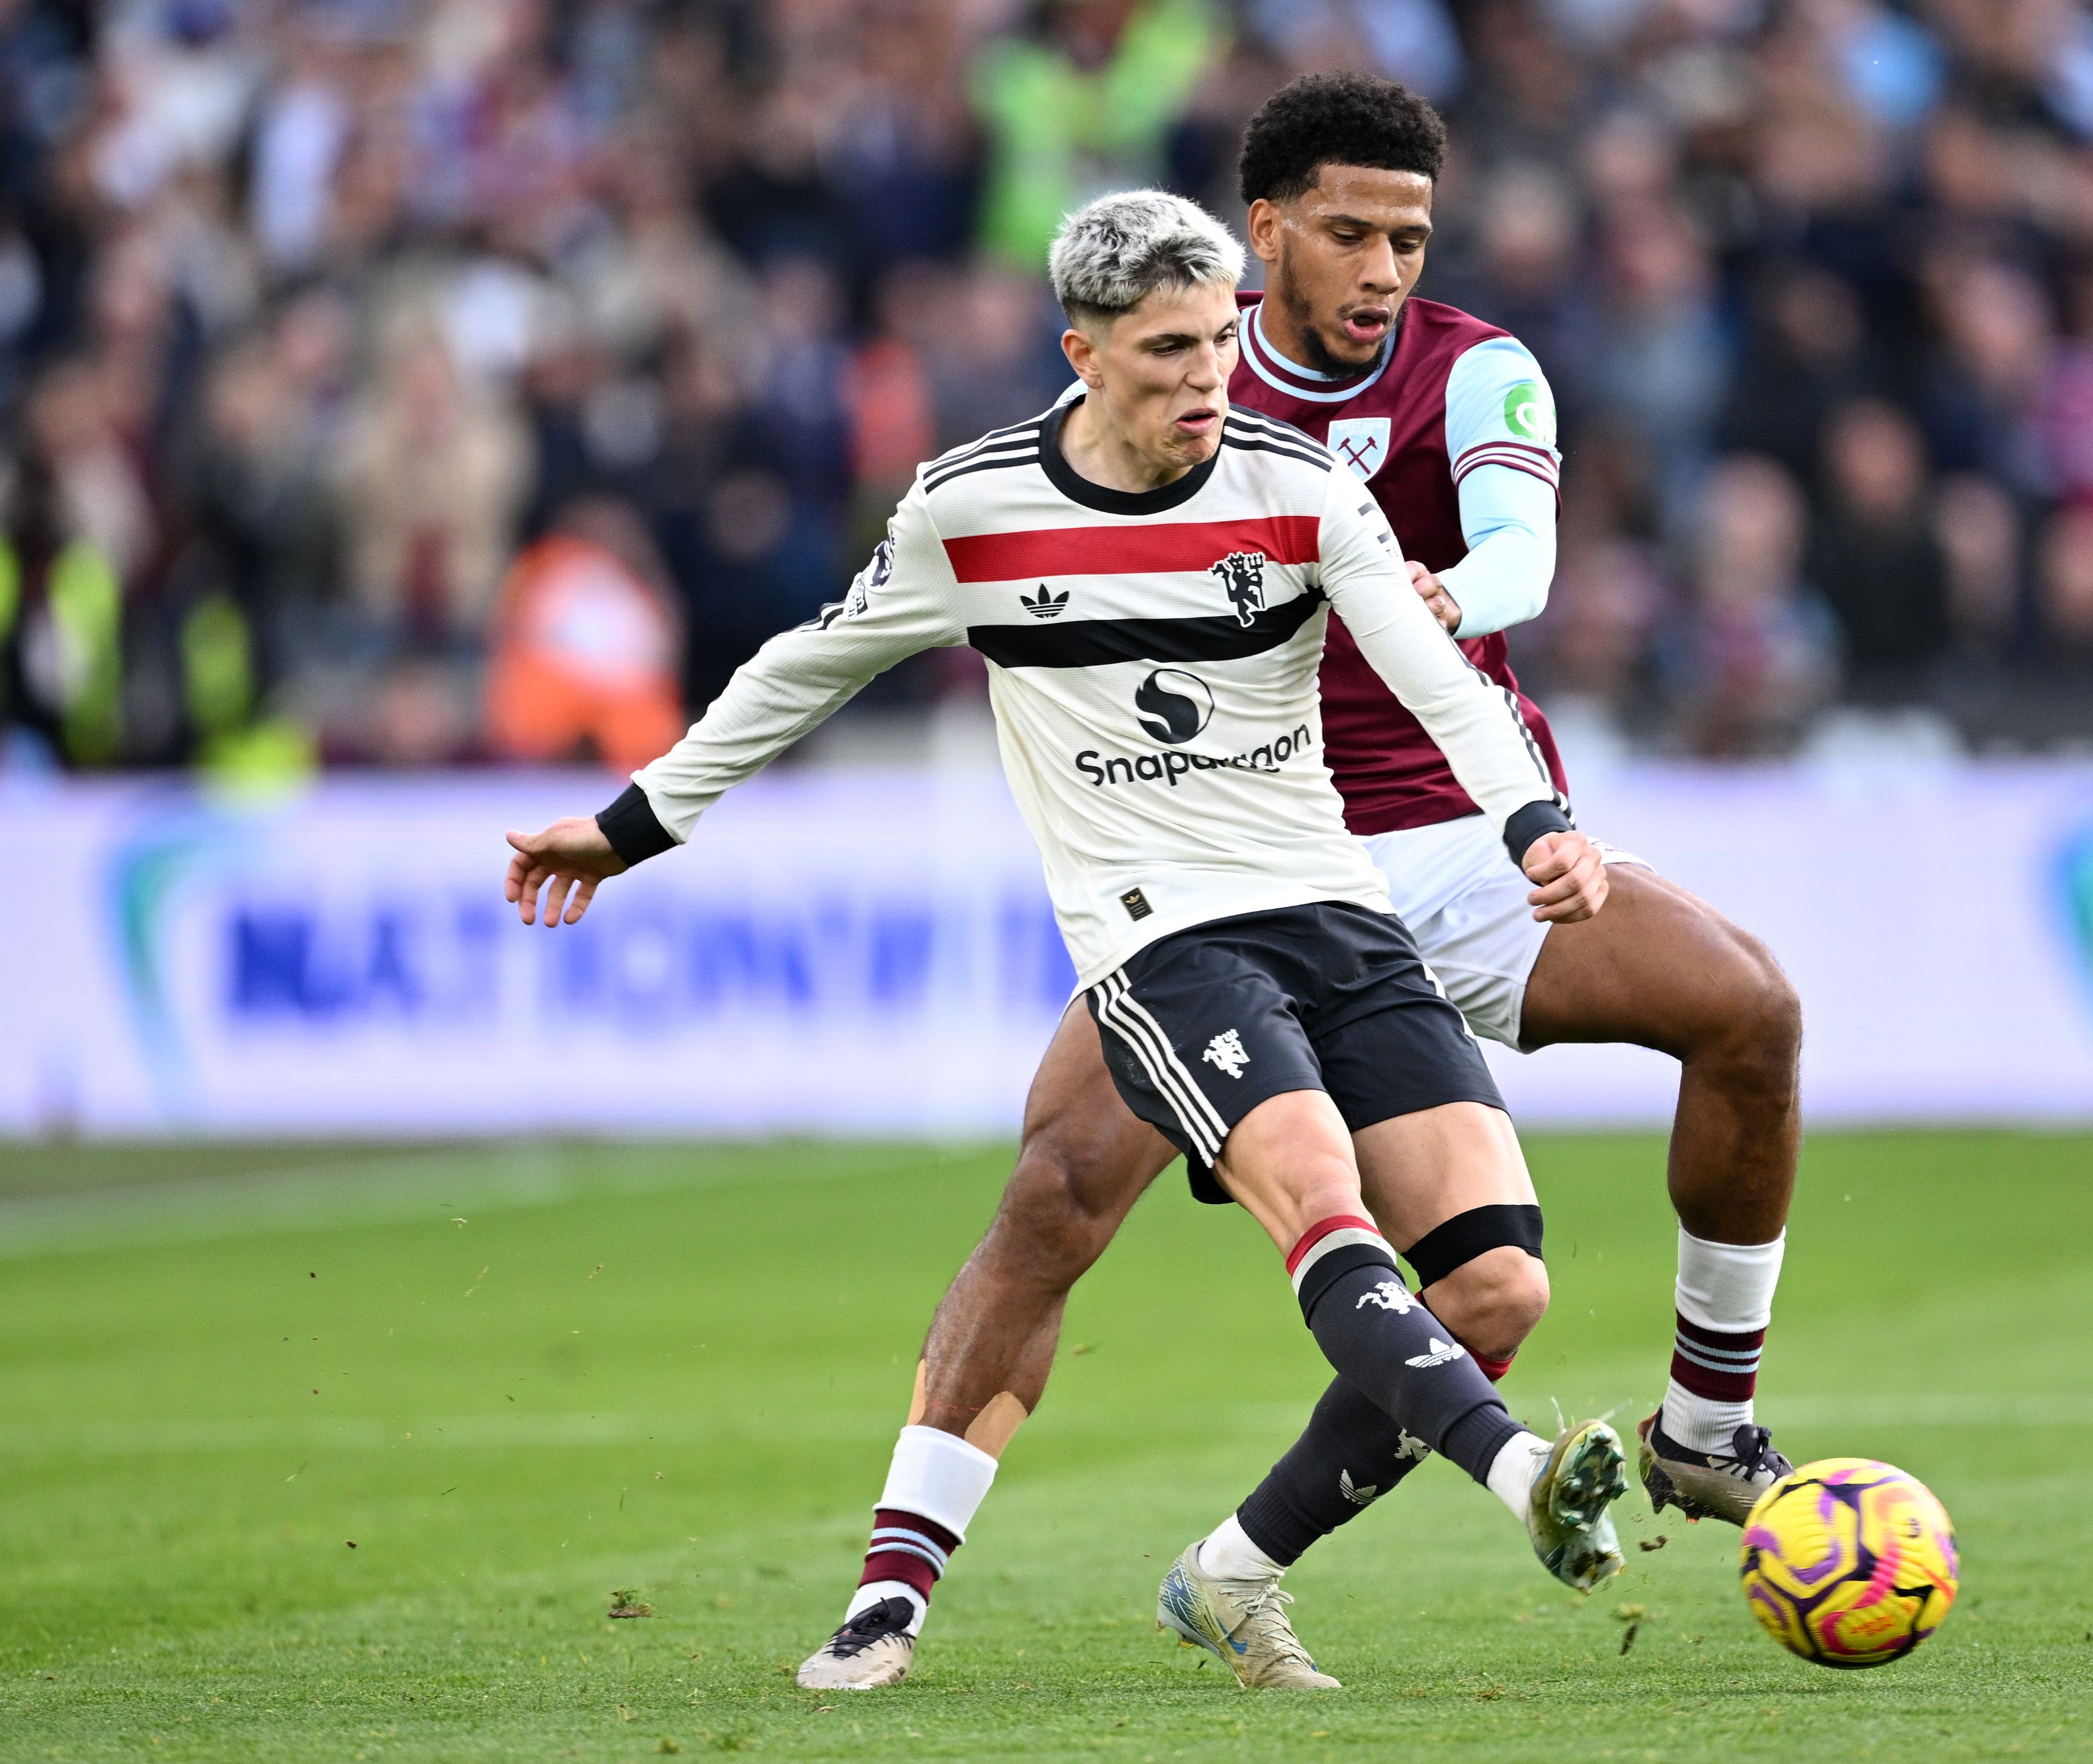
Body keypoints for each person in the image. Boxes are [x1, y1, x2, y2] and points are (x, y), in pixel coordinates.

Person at [500, 189, 1633, 1696]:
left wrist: (1535, 821)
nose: (1203, 379)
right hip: (1164, 938)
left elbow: (1441, 682)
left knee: (1496, 1287)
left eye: (1220, 341)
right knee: (1284, 1189)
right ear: (1081, 354)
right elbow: (802, 668)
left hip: (1335, 913)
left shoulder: (1299, 487)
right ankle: (1516, 1482)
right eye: (1165, 350)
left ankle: (1229, 1576)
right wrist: (631, 825)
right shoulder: (972, 510)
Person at [805, 72, 1810, 1695]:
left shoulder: (1474, 370)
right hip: (1231, 860)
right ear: (1261, 230)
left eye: (1409, 235)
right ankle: (889, 1589)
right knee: (1054, 1199)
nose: (1384, 267)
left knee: (1742, 1016)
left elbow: (1528, 564)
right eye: (1348, 232)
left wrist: (1444, 588)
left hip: (1450, 840)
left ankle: (1693, 1429)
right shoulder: (1164, 374)